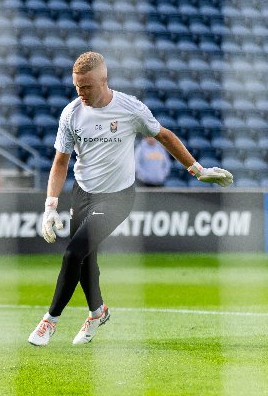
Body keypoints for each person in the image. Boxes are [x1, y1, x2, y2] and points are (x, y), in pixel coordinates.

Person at [28, 51, 233, 347]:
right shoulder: (71, 113)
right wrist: (50, 207)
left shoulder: (129, 108)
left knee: (74, 252)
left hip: (117, 197)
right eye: (77, 87)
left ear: (103, 80)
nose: (81, 93)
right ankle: (98, 312)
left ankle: (50, 321)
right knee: (86, 259)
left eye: (86, 86)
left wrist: (197, 170)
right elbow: (61, 161)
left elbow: (164, 135)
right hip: (83, 192)